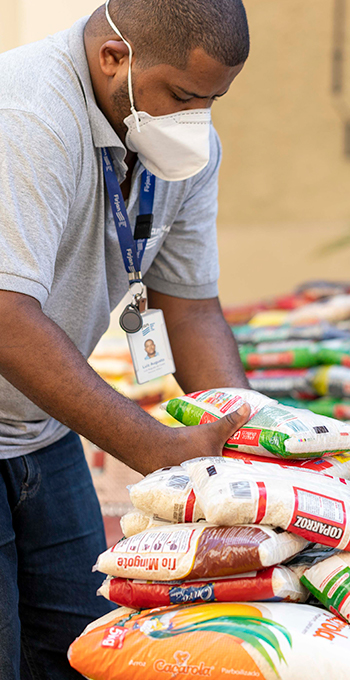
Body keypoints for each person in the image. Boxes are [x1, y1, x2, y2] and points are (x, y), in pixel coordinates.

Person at [0, 1, 255, 676]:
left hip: (39, 432)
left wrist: (247, 439)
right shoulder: (24, 115)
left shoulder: (182, 149)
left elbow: (190, 306)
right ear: (115, 57)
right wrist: (155, 448)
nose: (194, 119)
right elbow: (5, 316)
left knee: (85, 649)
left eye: (212, 100)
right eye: (181, 95)